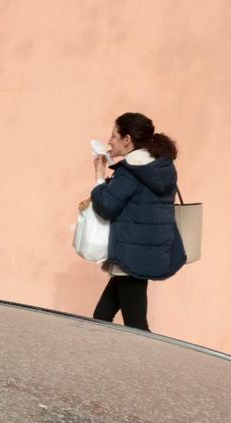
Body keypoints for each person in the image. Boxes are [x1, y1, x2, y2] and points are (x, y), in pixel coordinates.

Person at [79, 112, 186, 331]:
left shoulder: (131, 170)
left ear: (127, 139)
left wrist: (99, 177)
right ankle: (96, 361)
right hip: (144, 252)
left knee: (137, 326)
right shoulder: (159, 166)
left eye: (113, 135)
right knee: (101, 317)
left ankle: (153, 365)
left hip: (132, 256)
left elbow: (107, 206)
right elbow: (136, 199)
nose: (109, 141)